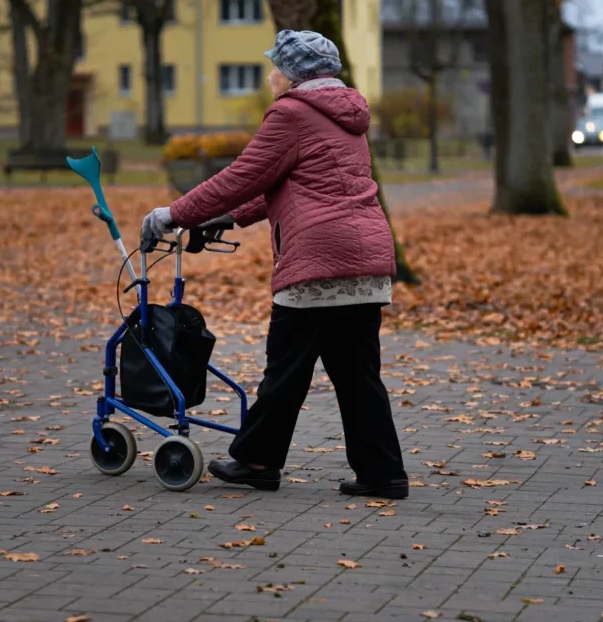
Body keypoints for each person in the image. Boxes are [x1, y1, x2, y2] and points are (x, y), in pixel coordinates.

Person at [140, 29, 409, 499]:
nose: (270, 76)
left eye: (275, 67)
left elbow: (242, 176)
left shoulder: (291, 113)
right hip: (364, 258)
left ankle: (258, 462)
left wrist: (174, 214)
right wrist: (228, 218)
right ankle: (383, 474)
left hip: (317, 259)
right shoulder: (347, 113)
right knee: (358, 375)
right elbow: (291, 183)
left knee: (285, 369)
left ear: (292, 74)